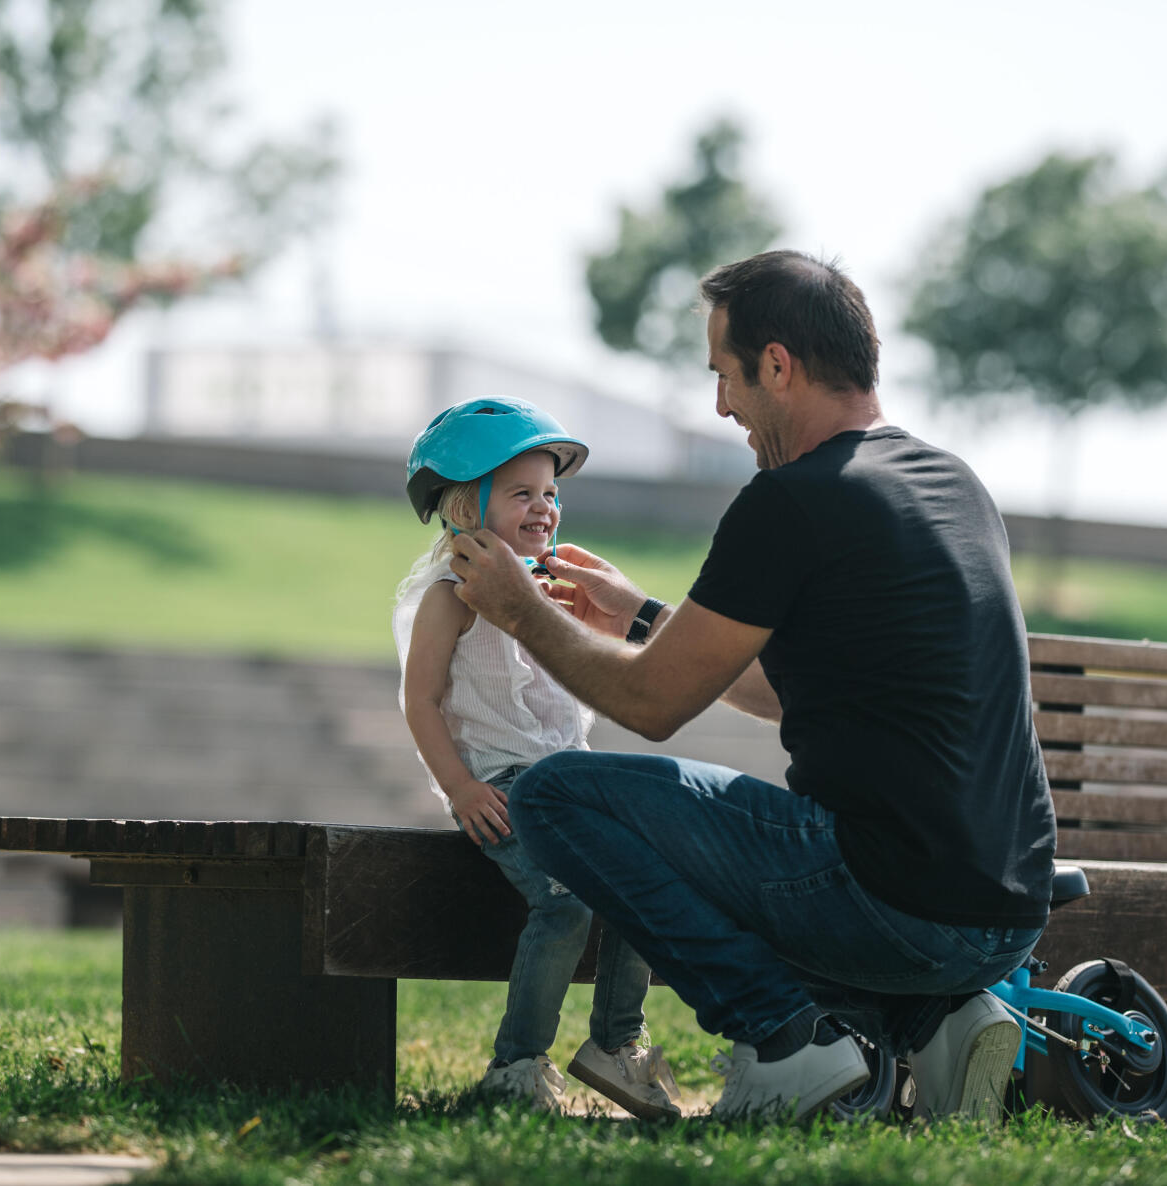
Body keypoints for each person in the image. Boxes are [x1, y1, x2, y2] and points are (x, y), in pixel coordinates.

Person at [446, 251, 1057, 1123]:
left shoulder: (792, 500)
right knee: (740, 849)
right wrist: (642, 618)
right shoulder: (951, 483)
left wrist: (519, 611)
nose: (722, 405)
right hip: (1006, 914)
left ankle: (782, 1041)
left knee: (557, 798)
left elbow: (654, 706)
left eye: (724, 376)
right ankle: (939, 1021)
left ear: (777, 364)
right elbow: (789, 692)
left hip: (894, 902)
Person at [393, 396, 683, 1119]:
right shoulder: (451, 596)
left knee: (645, 885)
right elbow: (420, 700)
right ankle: (516, 1068)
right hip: (500, 785)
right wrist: (458, 786)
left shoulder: (549, 589)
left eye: (551, 493)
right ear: (465, 507)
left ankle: (618, 1046)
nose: (545, 507)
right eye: (522, 493)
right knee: (566, 902)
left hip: (568, 779)